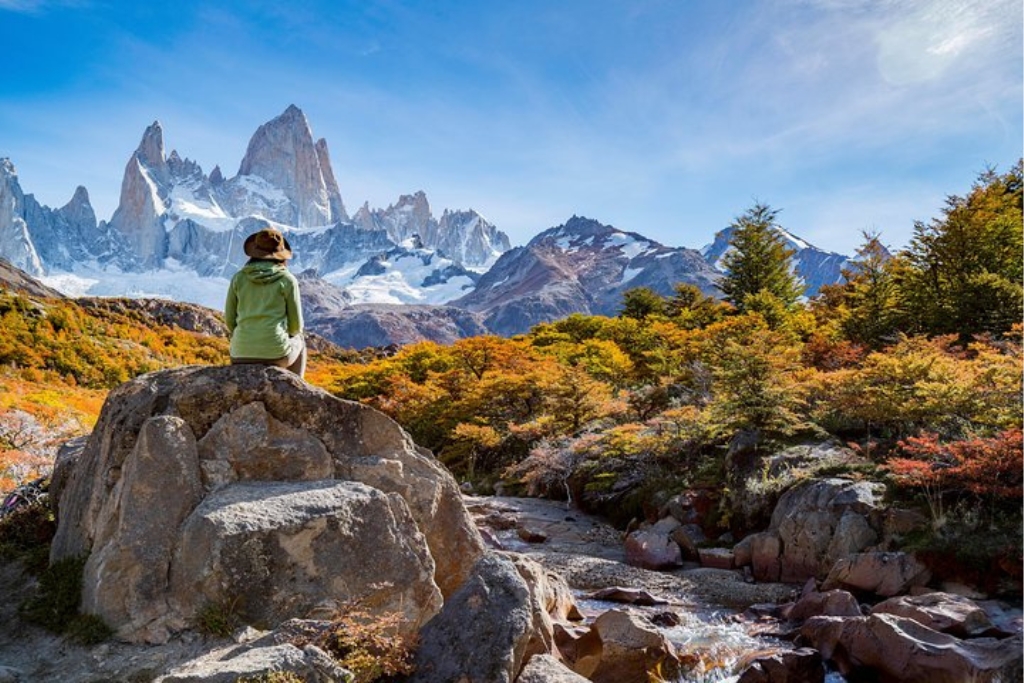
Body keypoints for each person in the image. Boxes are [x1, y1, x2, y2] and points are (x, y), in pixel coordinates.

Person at [225, 226, 306, 378]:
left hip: (239, 354)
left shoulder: (238, 278)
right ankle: (296, 388)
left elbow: (230, 321)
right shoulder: (287, 280)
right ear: (281, 254)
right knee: (300, 339)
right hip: (277, 355)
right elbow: (296, 327)